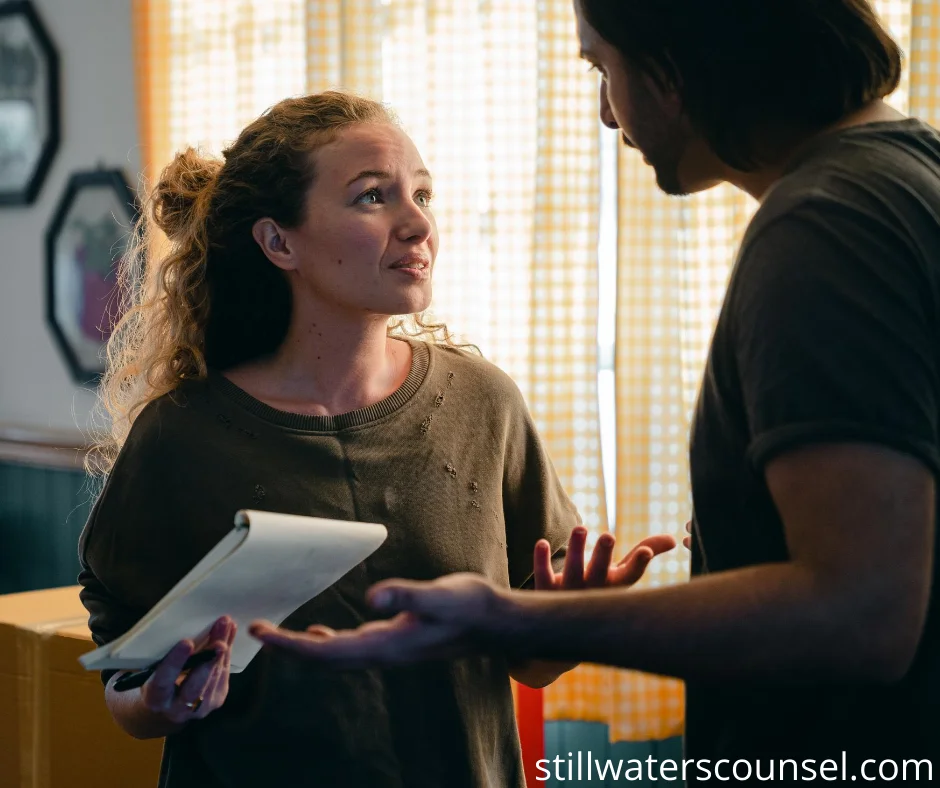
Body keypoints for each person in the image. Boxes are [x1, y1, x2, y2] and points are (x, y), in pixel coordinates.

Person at [252, 1, 940, 782]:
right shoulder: (909, 177)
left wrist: (505, 615)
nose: (609, 114)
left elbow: (864, 612)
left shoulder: (828, 226)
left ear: (676, 64)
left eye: (602, 68)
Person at [77, 90, 674, 788]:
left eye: (421, 193)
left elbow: (529, 662)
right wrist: (158, 700)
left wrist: (569, 618)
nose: (419, 223)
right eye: (373, 197)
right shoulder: (180, 438)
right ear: (279, 242)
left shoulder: (483, 403)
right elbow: (126, 683)